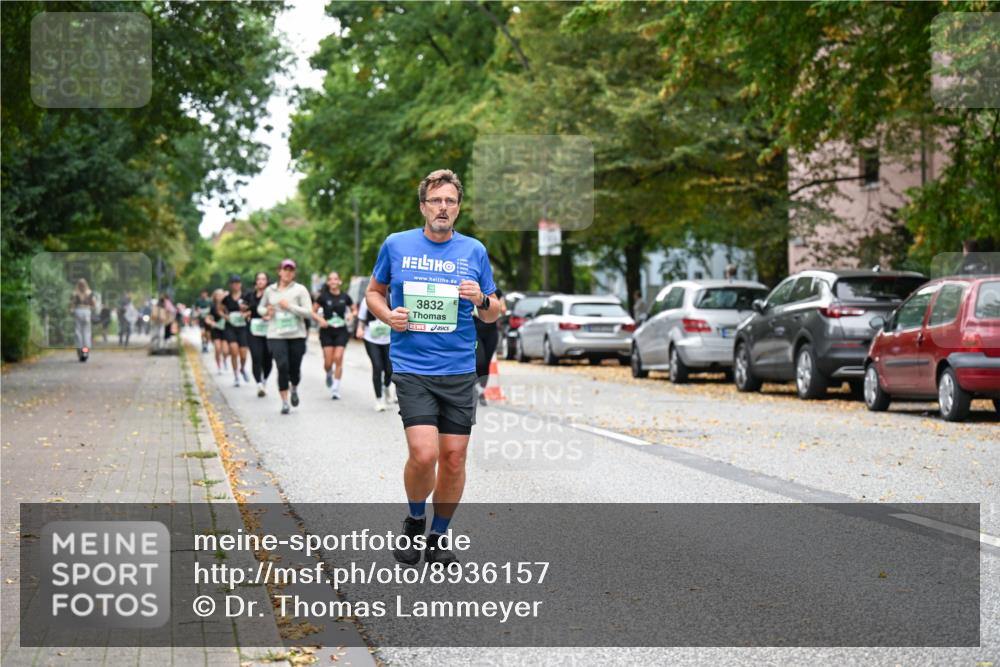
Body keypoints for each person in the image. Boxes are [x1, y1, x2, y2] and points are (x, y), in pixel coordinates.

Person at [366, 169, 501, 567]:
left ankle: (439, 536)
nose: (443, 208)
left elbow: (495, 313)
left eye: (450, 202)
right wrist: (389, 316)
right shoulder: (396, 245)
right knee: (425, 455)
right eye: (436, 201)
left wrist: (482, 300)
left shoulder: (474, 251)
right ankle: (414, 520)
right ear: (423, 206)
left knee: (454, 458)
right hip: (412, 366)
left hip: (458, 369)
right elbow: (375, 292)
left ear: (458, 208)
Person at [258, 259, 312, 414]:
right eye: (285, 269)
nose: (287, 272)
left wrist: (289, 306)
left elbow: (308, 312)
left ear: (294, 273)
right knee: (282, 366)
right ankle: (284, 401)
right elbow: (260, 307)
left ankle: (294, 387)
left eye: (291, 270)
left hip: (297, 335)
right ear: (279, 271)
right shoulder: (270, 290)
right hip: (276, 333)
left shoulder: (300, 290)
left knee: (294, 369)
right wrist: (266, 311)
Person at [312, 271, 357, 400]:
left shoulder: (345, 296)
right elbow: (312, 311)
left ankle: (335, 388)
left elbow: (354, 309)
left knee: (338, 358)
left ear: (339, 281)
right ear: (328, 282)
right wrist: (321, 320)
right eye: (330, 279)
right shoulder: (323, 297)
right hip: (327, 331)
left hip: (341, 331)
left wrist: (351, 315)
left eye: (335, 279)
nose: (333, 281)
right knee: (328, 362)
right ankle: (328, 373)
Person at [356, 298, 394, 412]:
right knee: (377, 367)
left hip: (388, 339)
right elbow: (361, 318)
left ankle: (386, 387)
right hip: (371, 338)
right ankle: (379, 400)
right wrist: (359, 329)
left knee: (389, 369)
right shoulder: (366, 300)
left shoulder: (391, 298)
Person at [244, 271, 274, 397]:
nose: (261, 281)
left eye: (263, 279)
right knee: (256, 357)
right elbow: (244, 310)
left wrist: (269, 315)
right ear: (256, 282)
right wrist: (245, 314)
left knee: (268, 358)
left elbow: (276, 308)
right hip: (254, 330)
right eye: (258, 279)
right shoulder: (250, 295)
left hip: (269, 330)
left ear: (267, 281)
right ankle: (259, 385)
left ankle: (265, 379)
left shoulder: (272, 294)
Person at [474, 287, 505, 406]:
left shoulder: (496, 292)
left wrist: (497, 307)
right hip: (475, 331)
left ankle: (481, 390)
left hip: (491, 332)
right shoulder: (474, 289)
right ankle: (472, 387)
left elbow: (503, 308)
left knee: (486, 363)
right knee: (479, 360)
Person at [220, 275, 251, 387]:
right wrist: (226, 316)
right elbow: (220, 310)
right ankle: (236, 375)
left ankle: (242, 368)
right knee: (233, 351)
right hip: (231, 327)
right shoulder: (226, 298)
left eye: (238, 283)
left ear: (241, 284)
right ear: (230, 285)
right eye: (233, 283)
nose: (236, 285)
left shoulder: (245, 296)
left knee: (243, 354)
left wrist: (246, 314)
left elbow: (251, 309)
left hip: (243, 327)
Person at [70, 278, 96, 361]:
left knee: (78, 333)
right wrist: (89, 307)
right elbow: (94, 304)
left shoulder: (75, 293)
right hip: (87, 312)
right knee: (86, 334)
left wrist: (71, 310)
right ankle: (85, 353)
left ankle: (79, 352)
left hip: (78, 312)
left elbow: (72, 304)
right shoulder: (90, 293)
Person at [205, 289, 229, 374]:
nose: (219, 297)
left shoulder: (226, 305)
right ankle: (219, 366)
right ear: (215, 297)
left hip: (225, 329)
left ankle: (225, 360)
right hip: (216, 330)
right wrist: (211, 322)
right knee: (218, 349)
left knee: (225, 351)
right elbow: (207, 318)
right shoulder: (212, 306)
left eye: (221, 295)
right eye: (217, 295)